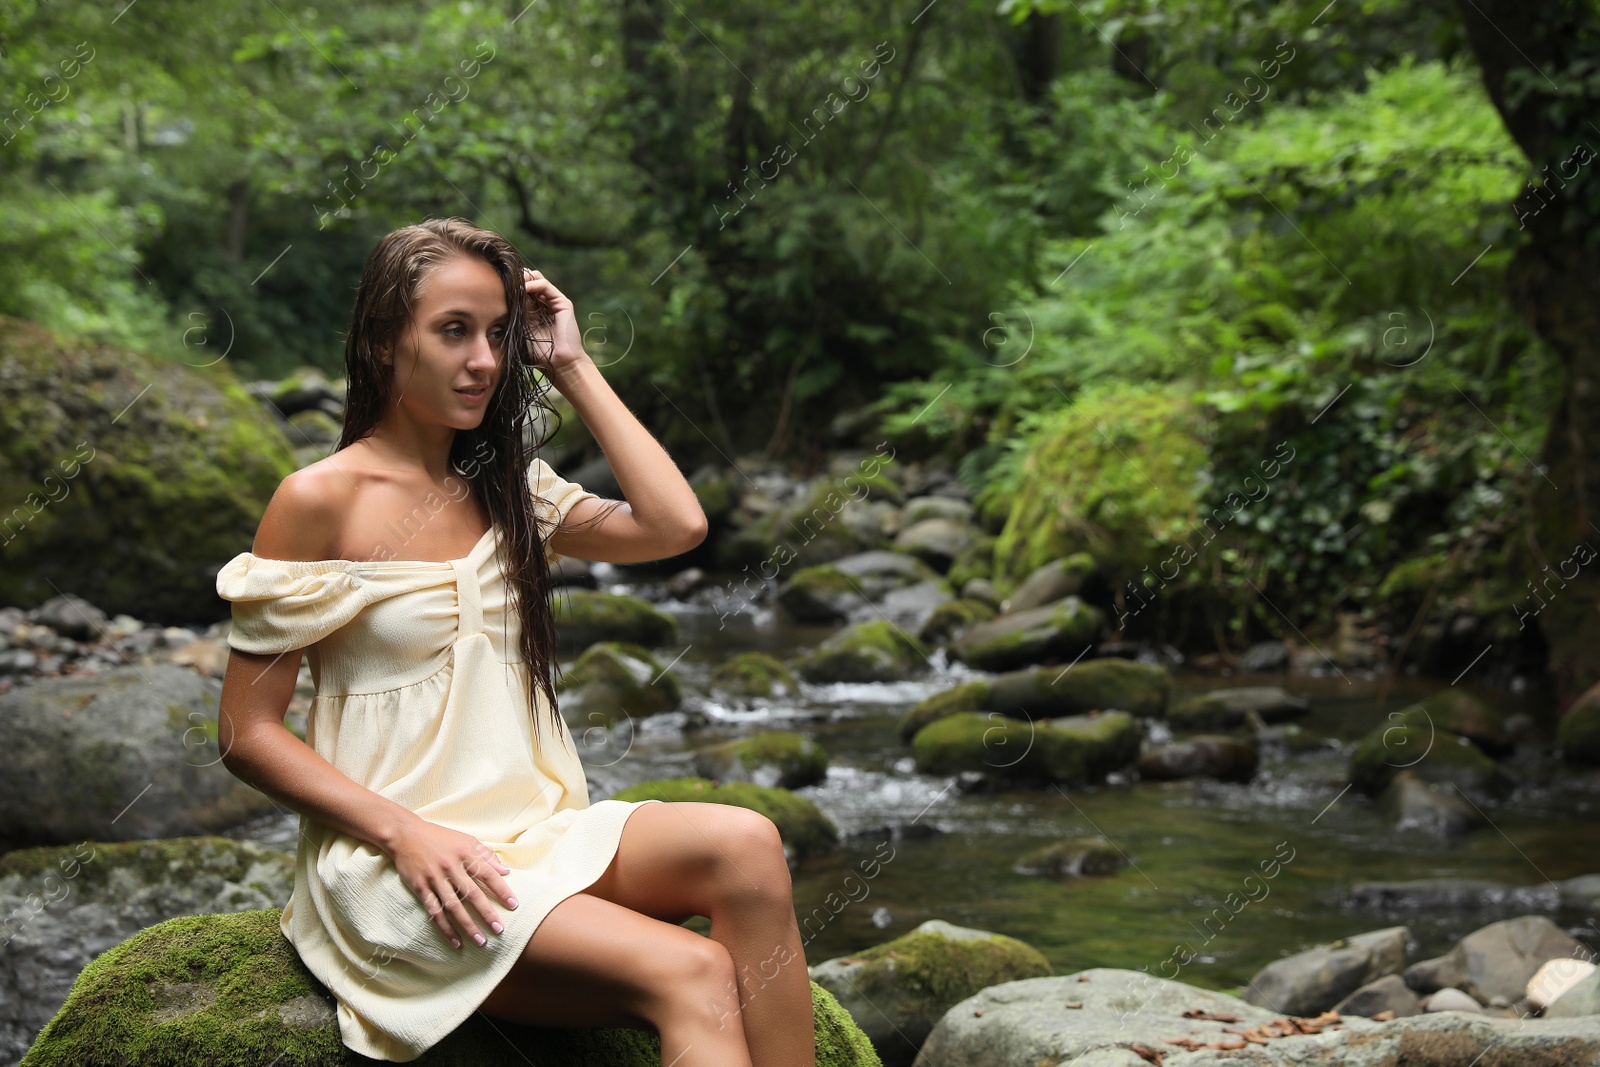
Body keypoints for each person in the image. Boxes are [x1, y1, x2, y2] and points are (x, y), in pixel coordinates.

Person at [215, 217, 815, 1066]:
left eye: (498, 334)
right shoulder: (320, 500)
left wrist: (568, 362)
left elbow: (675, 523)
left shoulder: (512, 488)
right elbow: (247, 732)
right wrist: (403, 833)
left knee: (748, 842)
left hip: (536, 838)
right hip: (411, 867)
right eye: (454, 331)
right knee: (694, 972)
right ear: (386, 341)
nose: (487, 361)